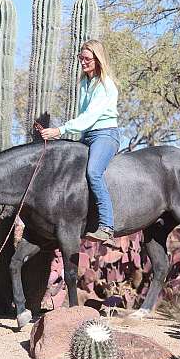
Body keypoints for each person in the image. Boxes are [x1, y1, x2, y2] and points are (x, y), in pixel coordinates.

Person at [40, 39, 120, 245]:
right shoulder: (85, 82)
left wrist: (60, 130)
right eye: (80, 58)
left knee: (93, 172)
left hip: (105, 135)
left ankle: (107, 227)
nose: (83, 62)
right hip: (87, 136)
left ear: (98, 59)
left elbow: (89, 117)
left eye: (87, 58)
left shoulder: (104, 85)